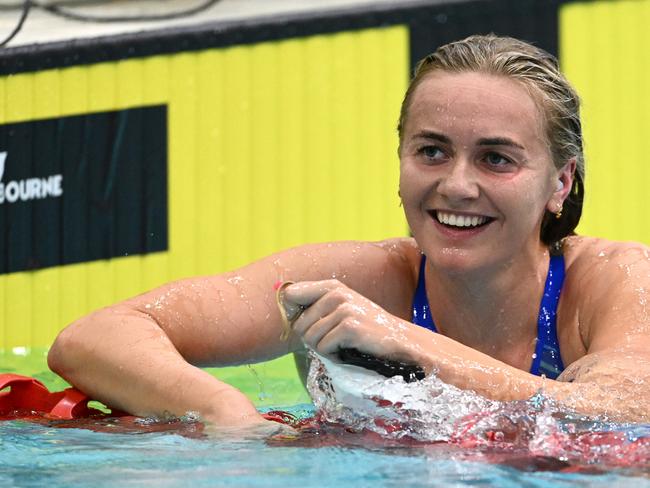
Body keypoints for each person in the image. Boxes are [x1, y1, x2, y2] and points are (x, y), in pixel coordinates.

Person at [48, 34, 650, 429]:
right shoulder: (358, 280)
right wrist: (225, 413)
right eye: (432, 151)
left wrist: (411, 345)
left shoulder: (613, 282)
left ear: (560, 183)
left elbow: (627, 411)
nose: (457, 185)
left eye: (497, 159)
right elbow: (93, 337)